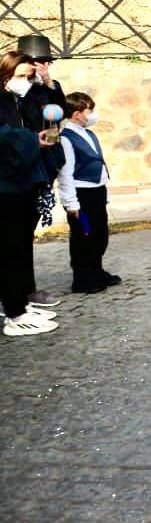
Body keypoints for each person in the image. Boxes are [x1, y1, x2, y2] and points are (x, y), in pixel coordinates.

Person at [1, 50, 63, 336]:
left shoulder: (21, 99)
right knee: (9, 249)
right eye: (21, 76)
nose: (26, 81)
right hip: (6, 184)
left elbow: (47, 114)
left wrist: (45, 82)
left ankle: (18, 303)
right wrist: (31, 140)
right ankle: (14, 314)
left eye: (29, 76)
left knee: (19, 246)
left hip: (23, 182)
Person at [56, 91, 118, 292]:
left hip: (97, 193)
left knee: (100, 235)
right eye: (89, 110)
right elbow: (66, 173)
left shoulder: (89, 133)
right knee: (84, 235)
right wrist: (71, 203)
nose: (92, 114)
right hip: (82, 196)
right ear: (76, 114)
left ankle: (96, 270)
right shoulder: (66, 138)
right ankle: (83, 278)